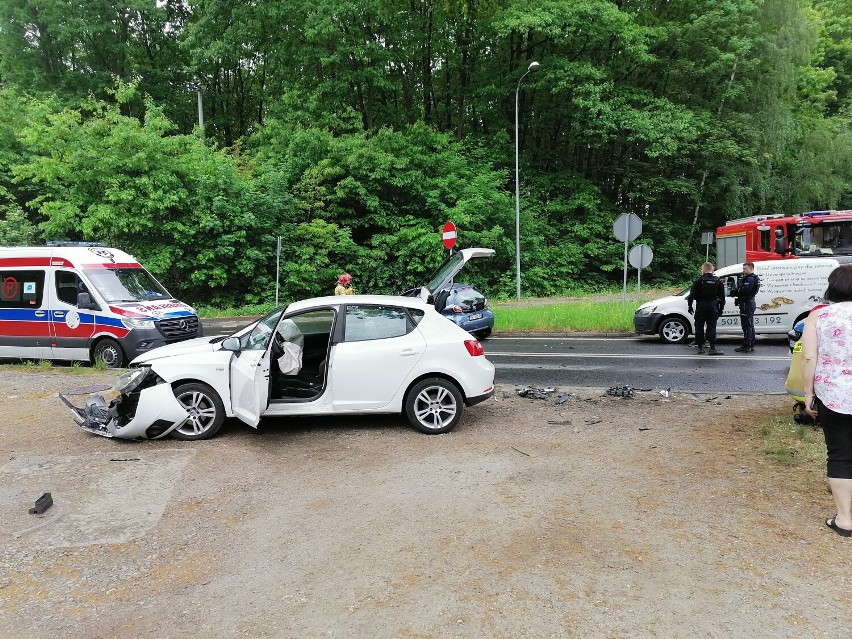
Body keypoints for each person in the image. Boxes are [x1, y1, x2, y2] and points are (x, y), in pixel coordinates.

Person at [802, 264, 852, 538]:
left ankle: (845, 519)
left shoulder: (819, 316)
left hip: (834, 394)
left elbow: (808, 357)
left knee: (841, 455)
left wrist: (808, 394)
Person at [687, 262, 725, 355]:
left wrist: (690, 306)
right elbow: (722, 298)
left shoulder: (699, 281)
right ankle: (712, 348)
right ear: (712, 269)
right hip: (713, 306)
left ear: (704, 269)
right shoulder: (718, 281)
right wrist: (721, 309)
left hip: (701, 306)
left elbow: (691, 296)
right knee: (711, 327)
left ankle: (700, 347)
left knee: (699, 326)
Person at [730, 262, 760, 352]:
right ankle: (750, 344)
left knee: (747, 325)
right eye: (743, 269)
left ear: (751, 269)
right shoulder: (752, 278)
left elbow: (744, 290)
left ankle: (747, 345)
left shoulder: (750, 279)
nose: (743, 270)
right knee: (749, 325)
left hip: (747, 303)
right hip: (748, 302)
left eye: (745, 269)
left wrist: (736, 292)